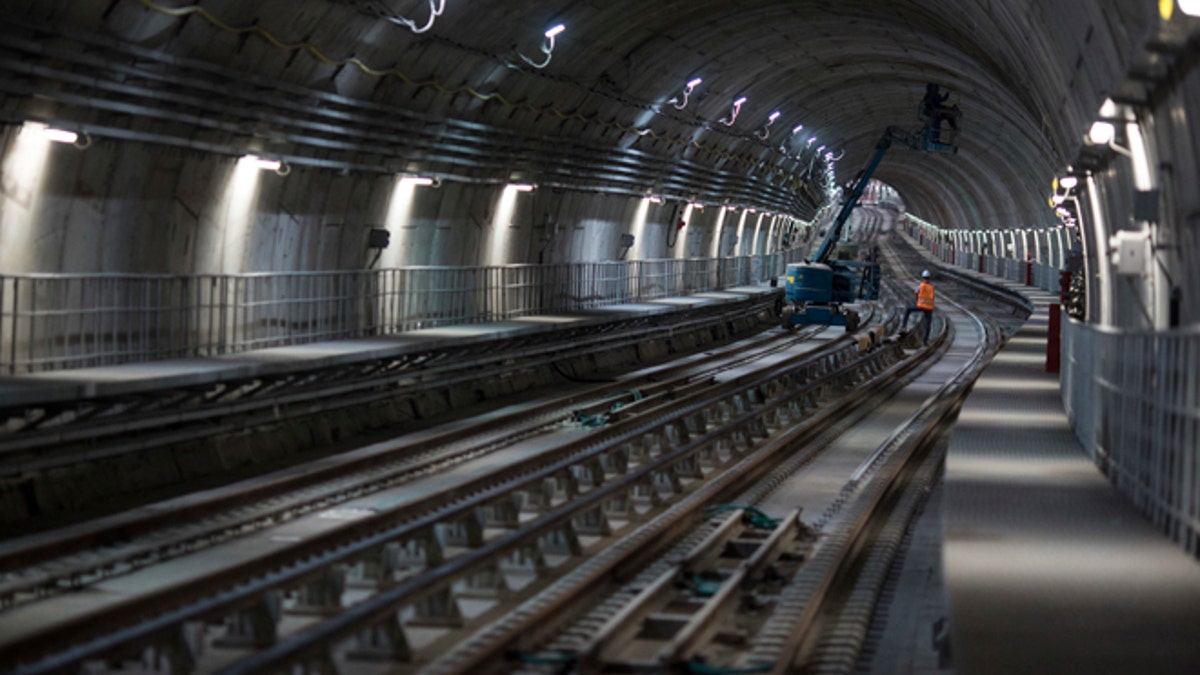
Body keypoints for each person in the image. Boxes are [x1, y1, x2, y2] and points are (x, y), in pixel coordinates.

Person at [902, 270, 935, 343]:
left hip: (921, 306)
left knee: (908, 310)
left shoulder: (920, 286)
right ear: (929, 278)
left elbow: (916, 293)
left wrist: (918, 301)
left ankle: (904, 325)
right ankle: (925, 341)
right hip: (929, 308)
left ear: (923, 277)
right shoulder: (932, 287)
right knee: (928, 324)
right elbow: (932, 297)